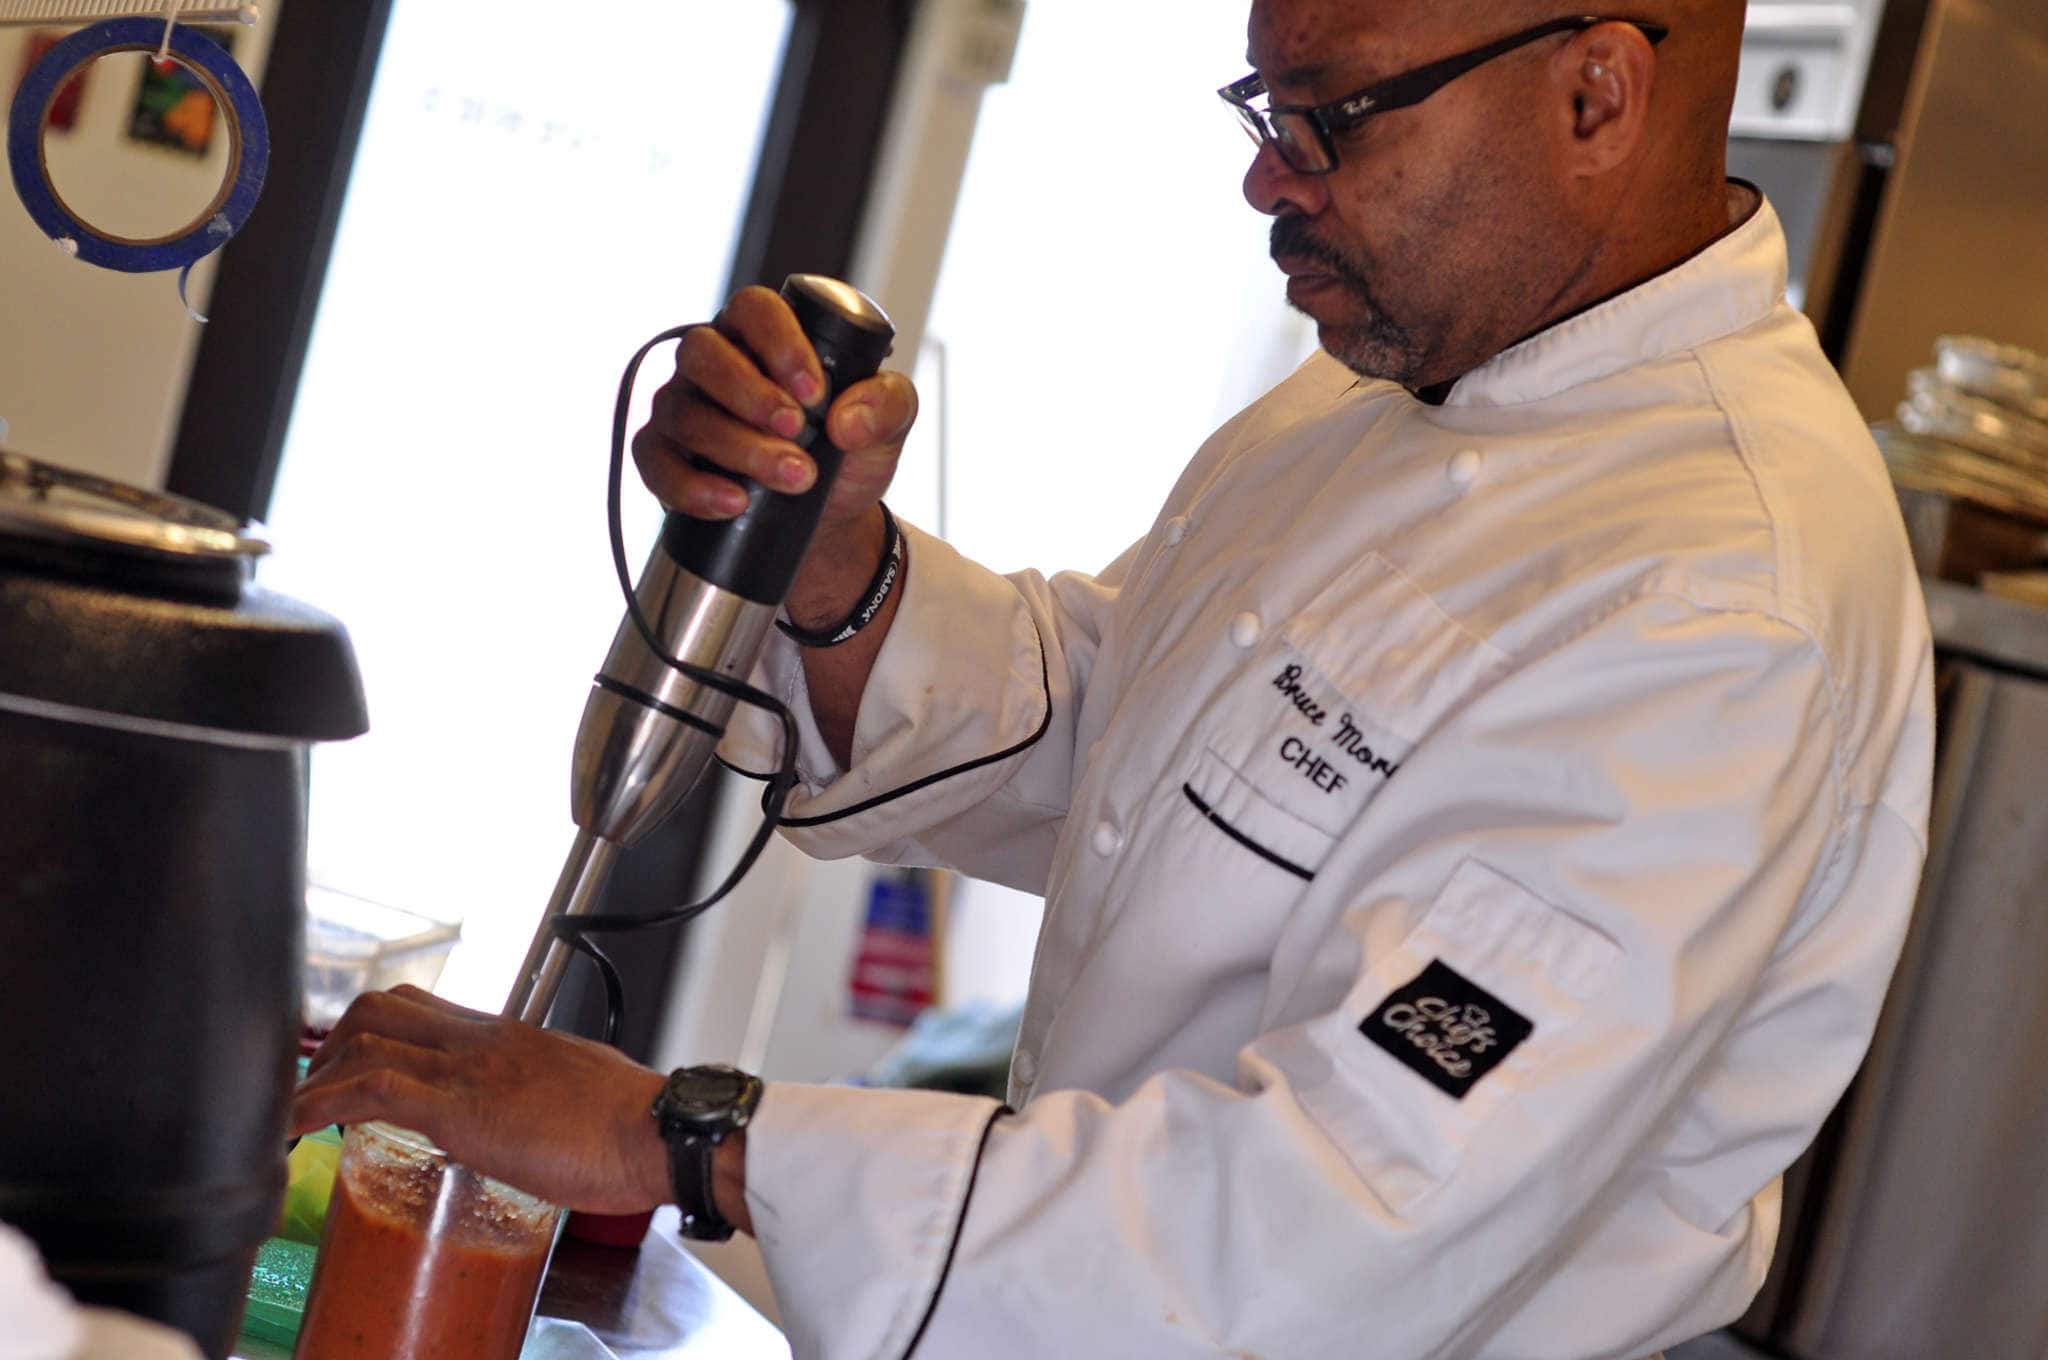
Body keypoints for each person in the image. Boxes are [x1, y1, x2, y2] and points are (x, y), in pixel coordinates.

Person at [291, 1, 1935, 1356]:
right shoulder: (1380, 392)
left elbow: (1326, 1224)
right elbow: (1135, 736)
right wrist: (836, 569)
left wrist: (680, 1136)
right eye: (1264, 108)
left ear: (1596, 93)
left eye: (1330, 116)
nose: (1267, 180)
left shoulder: (1720, 603)